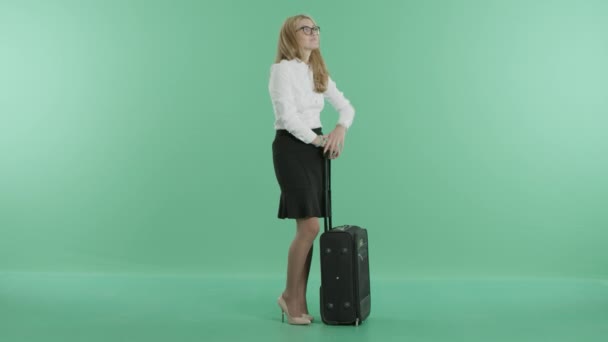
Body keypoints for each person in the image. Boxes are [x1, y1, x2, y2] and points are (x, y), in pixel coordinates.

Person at [268, 14, 355, 325]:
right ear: (291, 36)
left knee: (306, 229)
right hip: (292, 148)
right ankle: (290, 297)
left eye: (316, 28)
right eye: (305, 29)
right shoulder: (281, 70)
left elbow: (347, 107)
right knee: (310, 227)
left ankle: (298, 300)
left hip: (316, 149)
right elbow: (288, 118)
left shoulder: (317, 70)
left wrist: (339, 130)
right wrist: (320, 140)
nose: (313, 32)